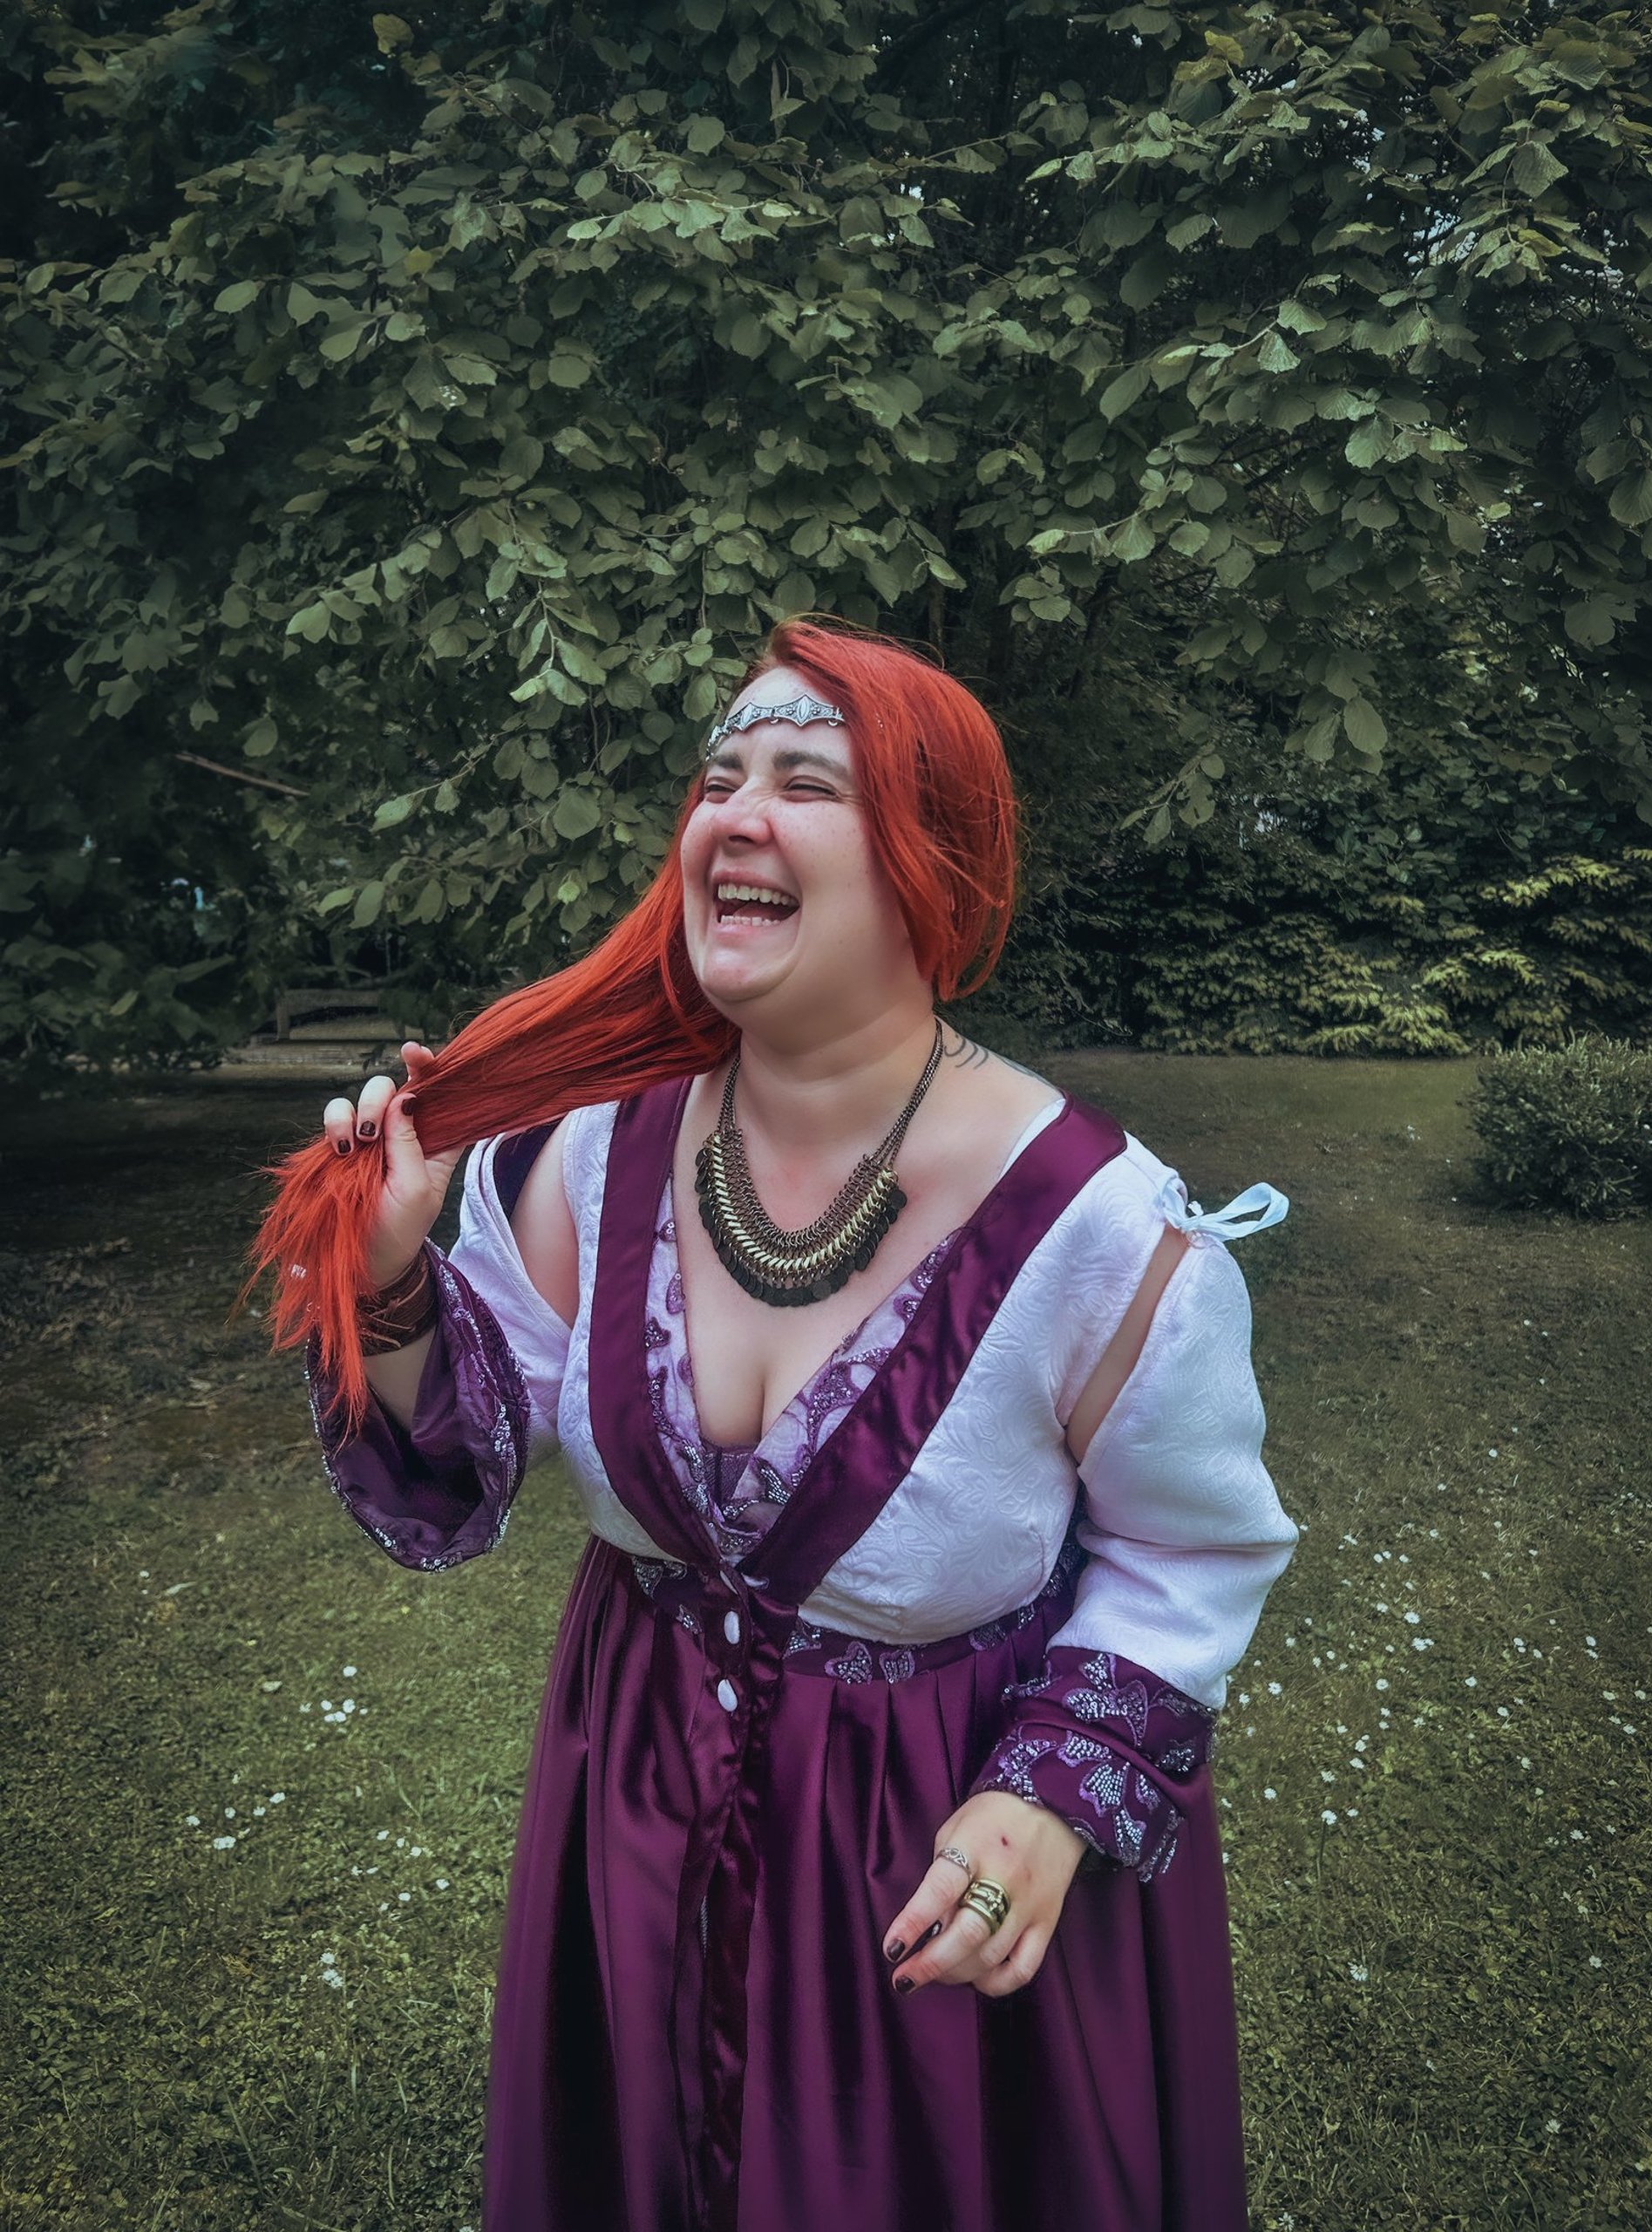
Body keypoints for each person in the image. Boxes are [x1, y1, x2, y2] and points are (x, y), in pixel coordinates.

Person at [255, 616, 1299, 2232]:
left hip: (929, 1858)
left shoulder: (1106, 1229)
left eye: (808, 782)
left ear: (928, 866)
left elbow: (1193, 1548)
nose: (733, 813)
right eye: (717, 778)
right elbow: (461, 1460)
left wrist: (1050, 1796)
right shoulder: (580, 1158)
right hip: (636, 1802)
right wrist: (389, 1286)